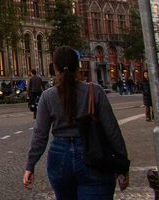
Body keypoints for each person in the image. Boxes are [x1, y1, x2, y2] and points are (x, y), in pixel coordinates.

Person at [24, 46, 129, 198]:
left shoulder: (47, 96)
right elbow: (112, 131)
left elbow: (40, 135)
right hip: (95, 155)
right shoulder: (96, 91)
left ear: (55, 68)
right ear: (78, 66)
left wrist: (30, 166)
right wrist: (122, 165)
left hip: (59, 158)